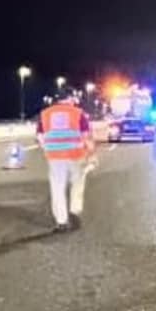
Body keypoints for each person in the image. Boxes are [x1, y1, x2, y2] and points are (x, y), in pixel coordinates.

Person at [37, 95, 95, 232]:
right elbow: (86, 136)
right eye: (74, 99)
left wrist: (47, 148)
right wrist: (91, 153)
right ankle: (74, 210)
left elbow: (40, 136)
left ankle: (61, 222)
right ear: (69, 99)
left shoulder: (45, 114)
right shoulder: (78, 113)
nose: (75, 102)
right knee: (77, 182)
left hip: (55, 156)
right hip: (75, 155)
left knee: (57, 188)